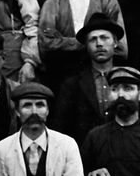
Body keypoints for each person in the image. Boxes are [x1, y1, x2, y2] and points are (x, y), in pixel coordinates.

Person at [49, 13, 123, 149]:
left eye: (104, 38)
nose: (99, 44)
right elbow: (61, 130)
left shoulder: (128, 81)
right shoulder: (72, 86)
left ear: (116, 43)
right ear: (87, 46)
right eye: (93, 40)